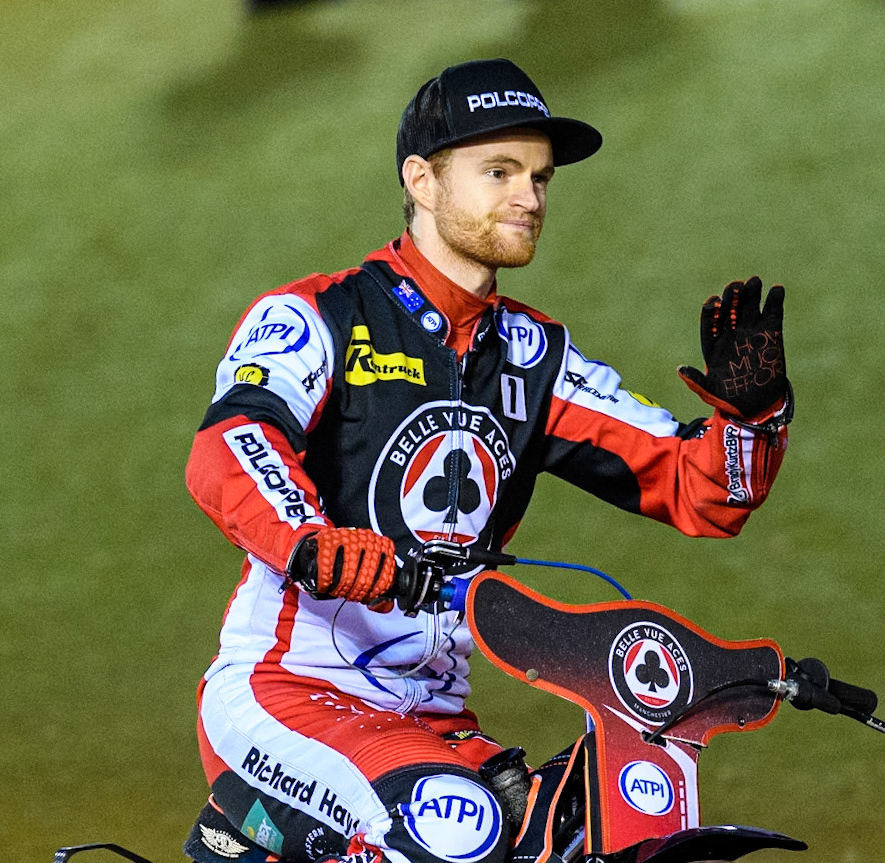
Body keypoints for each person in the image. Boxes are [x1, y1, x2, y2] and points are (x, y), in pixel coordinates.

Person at [181, 58, 792, 863]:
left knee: (577, 831)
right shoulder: (317, 315)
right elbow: (232, 443)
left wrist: (752, 414)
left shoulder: (534, 355)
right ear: (422, 181)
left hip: (433, 722)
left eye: (539, 177)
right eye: (499, 171)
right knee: (449, 835)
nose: (529, 197)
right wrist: (314, 543)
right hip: (290, 692)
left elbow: (700, 488)